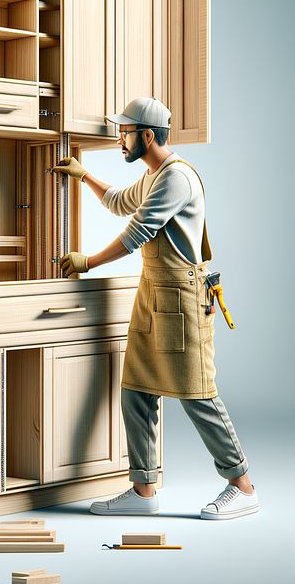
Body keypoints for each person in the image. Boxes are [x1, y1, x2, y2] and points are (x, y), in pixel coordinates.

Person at [53, 97, 258, 520]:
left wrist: (86, 261)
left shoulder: (176, 178)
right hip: (153, 293)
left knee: (197, 393)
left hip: (181, 298)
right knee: (137, 389)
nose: (119, 140)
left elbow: (136, 233)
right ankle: (143, 491)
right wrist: (83, 175)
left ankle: (243, 486)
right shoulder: (153, 176)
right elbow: (117, 202)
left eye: (125, 133)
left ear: (147, 135)